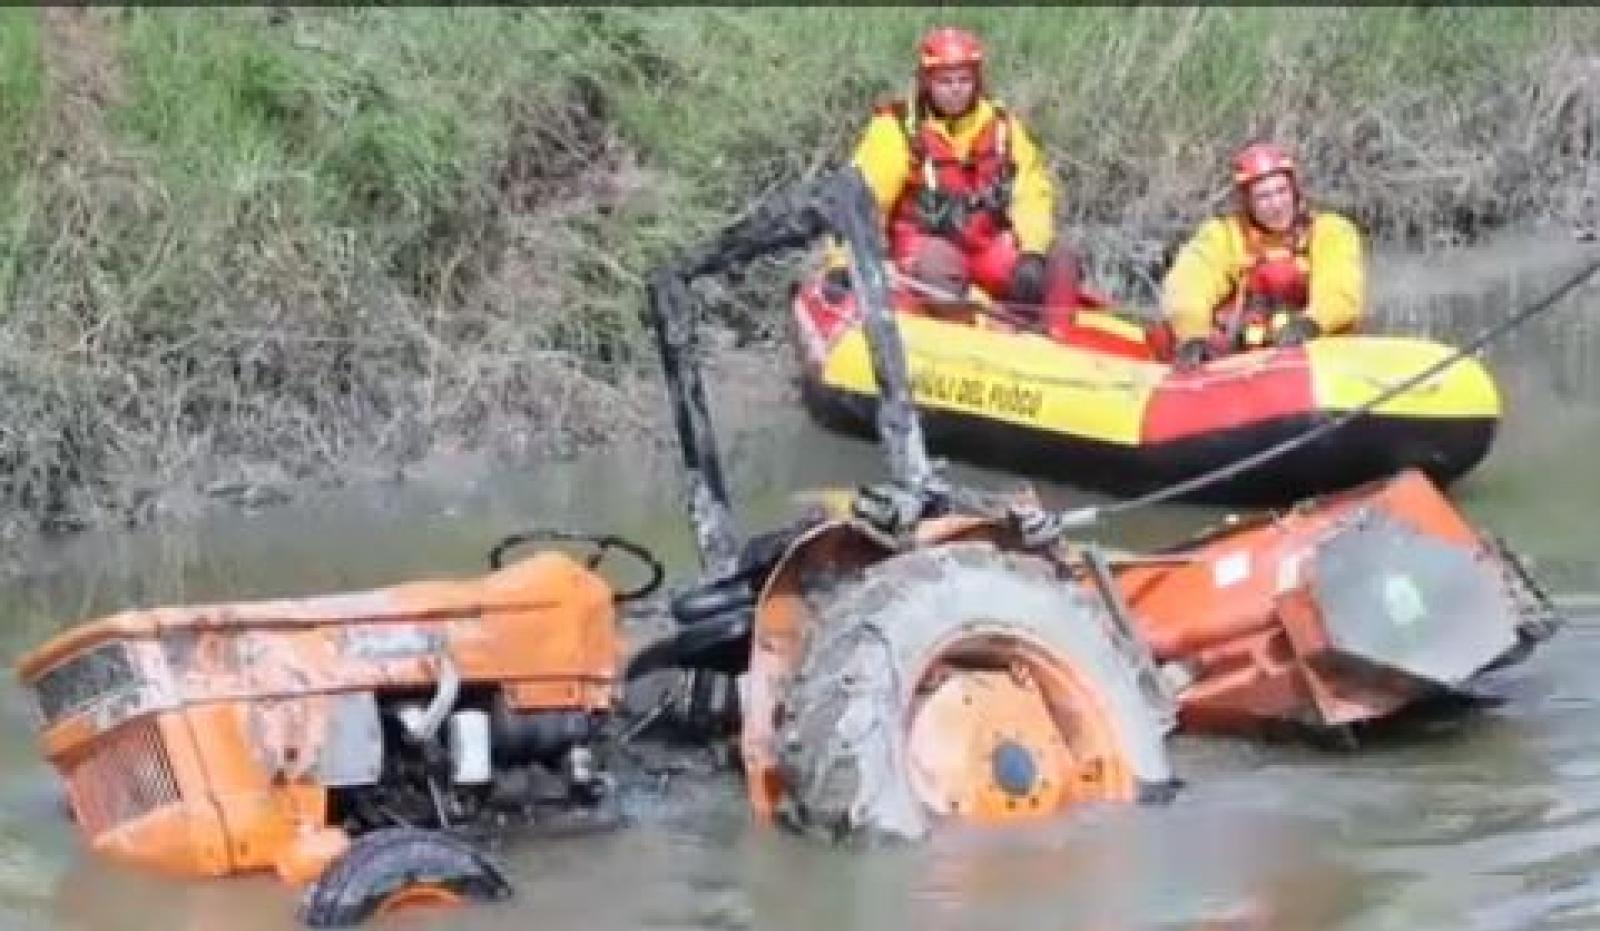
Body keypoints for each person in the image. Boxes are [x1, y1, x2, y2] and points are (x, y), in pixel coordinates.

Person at [823, 25, 1087, 325]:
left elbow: (1032, 192)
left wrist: (1033, 251)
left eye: (964, 80)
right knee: (939, 267)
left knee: (1059, 259)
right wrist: (842, 262)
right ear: (926, 83)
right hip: (923, 250)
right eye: (944, 81)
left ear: (977, 82)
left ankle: (1054, 340)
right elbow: (861, 200)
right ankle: (967, 339)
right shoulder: (896, 132)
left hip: (984, 247)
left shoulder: (1003, 128)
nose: (955, 89)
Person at [1160, 141, 1366, 371]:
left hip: (1317, 350)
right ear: (1247, 202)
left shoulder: (1331, 230)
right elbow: (1189, 283)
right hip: (1242, 357)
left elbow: (1340, 286)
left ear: (1295, 191)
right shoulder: (1223, 236)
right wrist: (1193, 334)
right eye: (1264, 197)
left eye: (1282, 191)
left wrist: (1311, 323)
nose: (1277, 205)